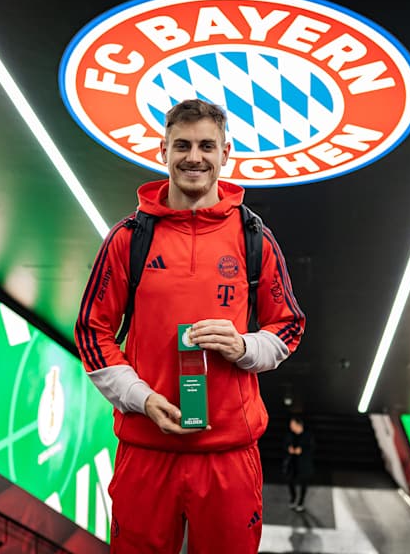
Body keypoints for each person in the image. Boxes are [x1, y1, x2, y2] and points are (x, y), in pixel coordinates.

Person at [75, 98, 306, 553]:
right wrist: (140, 399)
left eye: (206, 145)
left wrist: (244, 346)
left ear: (226, 152)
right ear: (163, 151)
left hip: (228, 455)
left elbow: (288, 327)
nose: (194, 157)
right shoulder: (129, 238)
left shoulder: (253, 237)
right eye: (181, 145)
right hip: (146, 450)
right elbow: (92, 331)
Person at [283, 416, 315, 512]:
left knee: (304, 483)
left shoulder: (308, 435)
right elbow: (285, 445)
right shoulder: (290, 435)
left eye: (292, 424)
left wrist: (301, 450)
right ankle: (293, 497)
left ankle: (301, 501)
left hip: (304, 464)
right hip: (292, 463)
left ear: (298, 424)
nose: (290, 426)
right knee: (290, 481)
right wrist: (289, 448)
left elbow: (312, 448)